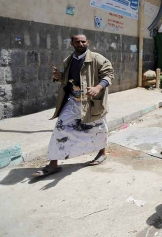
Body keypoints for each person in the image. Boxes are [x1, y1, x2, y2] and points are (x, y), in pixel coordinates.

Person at [33, 34, 114, 177]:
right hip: (73, 101)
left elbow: (109, 75)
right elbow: (70, 79)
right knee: (60, 128)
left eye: (83, 41)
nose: (81, 44)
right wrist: (60, 76)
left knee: (99, 128)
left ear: (88, 42)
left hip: (92, 103)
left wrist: (98, 87)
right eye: (77, 42)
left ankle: (102, 153)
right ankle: (53, 164)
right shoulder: (69, 60)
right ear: (72, 43)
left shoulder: (97, 58)